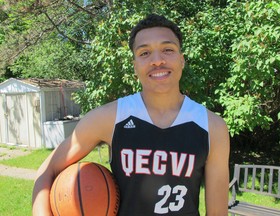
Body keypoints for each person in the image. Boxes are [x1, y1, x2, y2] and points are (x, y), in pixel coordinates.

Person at [32, 14, 230, 216]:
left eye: (168, 50)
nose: (157, 60)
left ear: (182, 60)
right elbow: (46, 170)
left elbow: (217, 213)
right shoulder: (109, 118)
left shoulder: (212, 127)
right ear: (135, 65)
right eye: (144, 53)